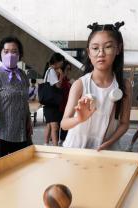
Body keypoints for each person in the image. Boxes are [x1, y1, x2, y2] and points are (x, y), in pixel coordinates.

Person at [61, 22, 131, 151]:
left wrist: (109, 142)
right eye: (95, 48)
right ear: (88, 52)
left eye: (108, 47)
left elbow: (124, 123)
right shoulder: (80, 85)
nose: (101, 53)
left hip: (106, 150)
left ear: (118, 49)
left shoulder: (123, 85)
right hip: (76, 149)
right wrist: (79, 118)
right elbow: (64, 124)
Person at [0, 36, 32, 160]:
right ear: (1, 53)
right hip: (1, 134)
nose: (10, 55)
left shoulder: (22, 76)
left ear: (19, 54)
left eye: (14, 51)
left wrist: (28, 121)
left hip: (21, 133)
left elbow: (25, 101)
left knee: (22, 170)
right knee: (0, 171)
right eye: (6, 51)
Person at [43, 52, 65, 146]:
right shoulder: (52, 71)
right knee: (55, 126)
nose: (62, 64)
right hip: (51, 103)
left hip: (48, 103)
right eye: (61, 62)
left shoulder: (49, 69)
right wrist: (61, 75)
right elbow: (58, 85)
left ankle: (46, 144)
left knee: (49, 125)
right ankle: (55, 148)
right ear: (57, 61)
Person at [58, 61, 73, 143]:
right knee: (57, 126)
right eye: (67, 69)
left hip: (66, 106)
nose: (68, 71)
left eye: (69, 69)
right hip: (59, 106)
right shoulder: (60, 79)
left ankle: (63, 140)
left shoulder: (68, 80)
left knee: (65, 126)